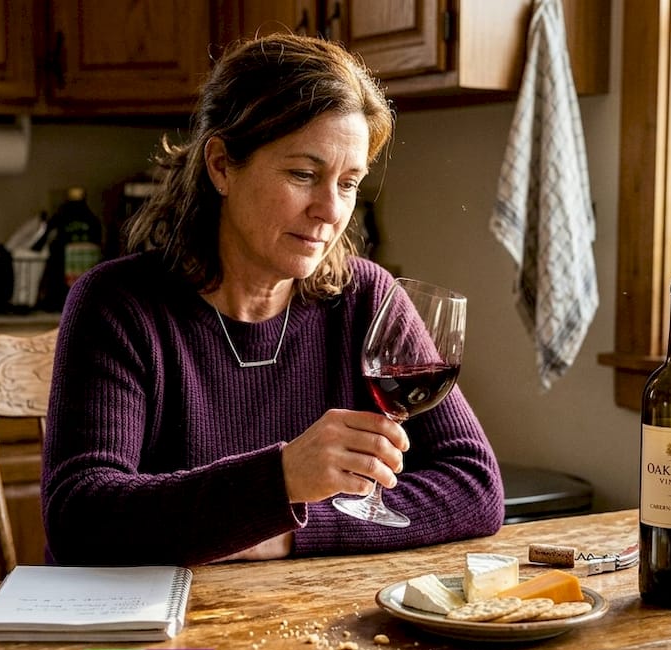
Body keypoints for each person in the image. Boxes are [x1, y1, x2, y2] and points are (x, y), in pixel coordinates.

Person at [41, 33, 503, 567]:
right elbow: (80, 517)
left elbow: (474, 485)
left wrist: (289, 533)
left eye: (349, 183)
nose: (330, 210)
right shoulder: (118, 305)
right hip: (143, 634)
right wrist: (280, 479)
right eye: (304, 175)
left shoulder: (367, 298)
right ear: (221, 165)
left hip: (305, 626)